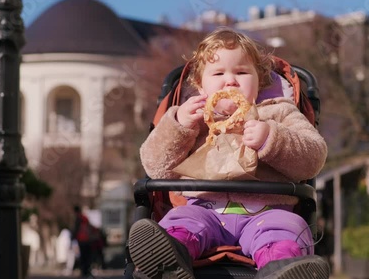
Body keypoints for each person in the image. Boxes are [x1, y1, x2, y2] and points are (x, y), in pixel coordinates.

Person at [129, 27, 329, 279]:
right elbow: (155, 166)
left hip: (267, 212)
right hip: (204, 210)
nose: (230, 81)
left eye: (242, 72)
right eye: (218, 73)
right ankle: (168, 259)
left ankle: (280, 267)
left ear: (260, 82)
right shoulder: (193, 117)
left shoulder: (279, 112)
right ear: (201, 87)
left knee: (284, 231)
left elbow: (314, 157)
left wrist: (272, 138)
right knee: (180, 222)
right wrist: (178, 125)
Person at [71, 205, 93, 278]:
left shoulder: (78, 218)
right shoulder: (85, 218)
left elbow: (76, 229)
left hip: (81, 240)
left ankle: (84, 272)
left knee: (83, 257)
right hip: (87, 240)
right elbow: (89, 228)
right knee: (87, 257)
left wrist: (73, 237)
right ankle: (87, 271)